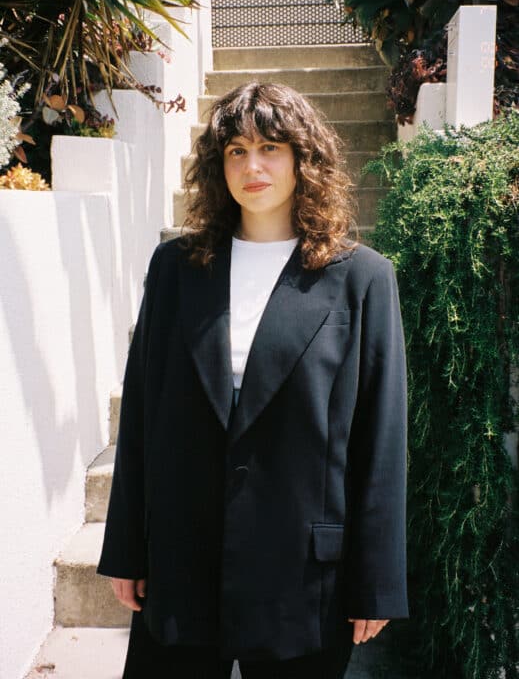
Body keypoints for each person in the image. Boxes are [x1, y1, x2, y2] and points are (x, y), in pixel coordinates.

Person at [97, 83, 409, 679]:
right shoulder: (176, 269)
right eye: (236, 151)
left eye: (270, 147)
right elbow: (141, 413)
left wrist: (378, 582)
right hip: (182, 555)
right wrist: (127, 550)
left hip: (303, 573)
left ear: (303, 160)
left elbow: (381, 436)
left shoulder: (362, 279)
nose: (253, 165)